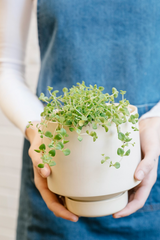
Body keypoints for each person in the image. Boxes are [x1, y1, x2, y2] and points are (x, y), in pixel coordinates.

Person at [0, 0, 160, 239]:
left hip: (146, 166)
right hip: (54, 167)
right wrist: (37, 129)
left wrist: (156, 119)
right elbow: (7, 65)